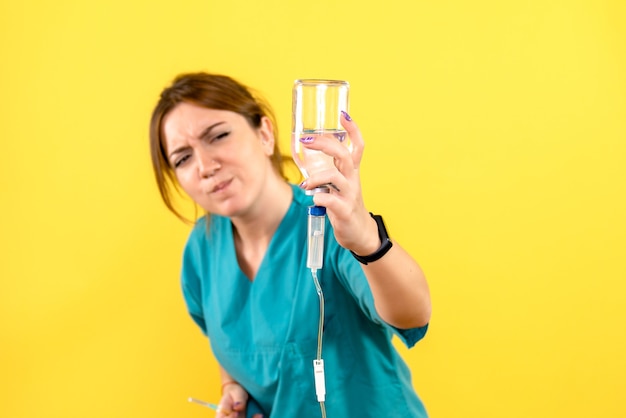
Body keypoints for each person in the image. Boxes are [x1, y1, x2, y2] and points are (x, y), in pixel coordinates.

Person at [149, 72, 432, 418]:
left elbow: (412, 314)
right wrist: (233, 389)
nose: (206, 166)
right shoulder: (203, 250)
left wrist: (364, 237)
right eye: (182, 158)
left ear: (265, 134)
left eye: (219, 136)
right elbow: (232, 343)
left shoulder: (331, 221)